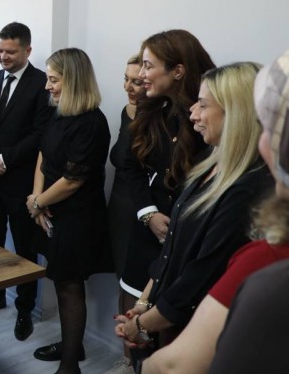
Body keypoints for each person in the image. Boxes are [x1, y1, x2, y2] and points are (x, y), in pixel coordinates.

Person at [114, 63, 272, 365]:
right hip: (166, 319)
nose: (193, 114)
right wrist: (145, 301)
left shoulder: (246, 189)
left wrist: (142, 324)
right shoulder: (207, 164)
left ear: (235, 112)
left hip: (195, 332)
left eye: (202, 104)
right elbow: (172, 251)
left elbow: (199, 275)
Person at [25, 48, 111, 374]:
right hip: (51, 211)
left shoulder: (92, 123)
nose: (47, 86)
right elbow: (43, 157)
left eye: (53, 80)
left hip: (77, 218)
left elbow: (73, 180)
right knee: (61, 283)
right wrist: (37, 199)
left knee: (69, 286)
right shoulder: (58, 112)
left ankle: (70, 364)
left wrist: (38, 203)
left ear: (73, 81)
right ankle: (72, 345)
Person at [0, 22, 52, 341]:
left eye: (10, 52)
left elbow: (40, 133)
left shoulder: (42, 84)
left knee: (25, 249)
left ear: (27, 50)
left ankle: (25, 309)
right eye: (0, 50)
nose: (3, 56)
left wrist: (3, 160)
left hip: (21, 183)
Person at [118, 31, 215, 314]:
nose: (141, 74)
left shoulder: (208, 119)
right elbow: (130, 165)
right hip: (148, 228)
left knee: (165, 316)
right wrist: (148, 213)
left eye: (148, 66)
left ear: (177, 71)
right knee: (131, 310)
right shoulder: (151, 109)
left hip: (187, 239)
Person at [106, 54, 145, 373]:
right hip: (119, 208)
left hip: (142, 211)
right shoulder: (126, 111)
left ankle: (140, 361)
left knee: (139, 287)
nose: (128, 87)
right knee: (123, 284)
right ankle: (127, 359)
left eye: (137, 82)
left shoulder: (159, 118)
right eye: (126, 80)